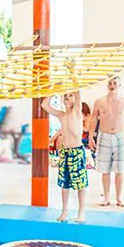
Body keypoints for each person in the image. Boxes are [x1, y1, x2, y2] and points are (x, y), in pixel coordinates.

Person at [42, 91, 87, 223]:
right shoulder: (62, 115)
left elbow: (78, 92)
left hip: (76, 151)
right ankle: (65, 210)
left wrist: (72, 73)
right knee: (64, 183)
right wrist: (53, 91)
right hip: (65, 152)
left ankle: (81, 212)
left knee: (80, 184)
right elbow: (45, 105)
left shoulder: (77, 112)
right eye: (65, 96)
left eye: (70, 95)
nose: (67, 97)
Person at [89, 76, 124, 207]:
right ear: (107, 86)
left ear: (120, 85)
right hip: (104, 136)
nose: (112, 85)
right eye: (110, 83)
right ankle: (106, 197)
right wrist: (91, 136)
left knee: (120, 170)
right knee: (105, 169)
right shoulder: (99, 102)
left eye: (115, 83)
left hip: (121, 137)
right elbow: (94, 119)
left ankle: (119, 198)